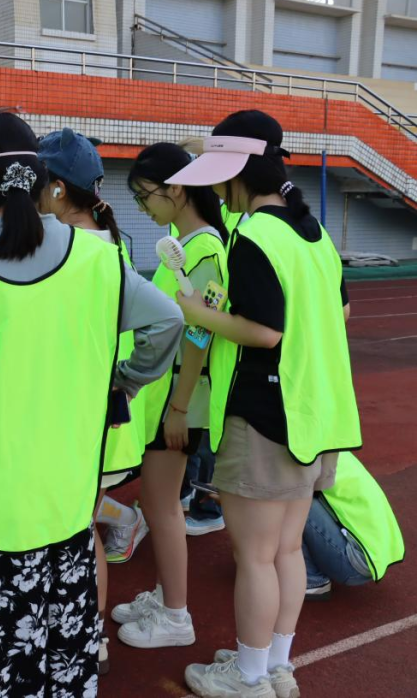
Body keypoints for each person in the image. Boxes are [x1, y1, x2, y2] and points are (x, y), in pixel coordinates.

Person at [0, 110, 183, 696]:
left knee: (5, 666)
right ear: (41, 181)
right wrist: (124, 379)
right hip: (67, 497)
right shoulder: (97, 258)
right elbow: (168, 320)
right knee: (66, 660)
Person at [169, 110, 361, 698]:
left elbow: (264, 331)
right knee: (285, 551)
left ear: (238, 174)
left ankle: (249, 677)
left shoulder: (255, 236)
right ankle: (274, 665)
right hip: (314, 413)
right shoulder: (313, 233)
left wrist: (197, 311)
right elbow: (341, 311)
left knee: (254, 555)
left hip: (264, 415)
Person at [35, 127, 154, 674]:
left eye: (36, 183)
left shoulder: (76, 250)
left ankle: (90, 633)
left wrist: (124, 378)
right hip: (99, 413)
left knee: (75, 531)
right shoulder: (107, 241)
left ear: (58, 188)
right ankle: (90, 631)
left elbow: (164, 323)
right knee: (76, 527)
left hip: (86, 415)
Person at [111, 142, 230, 651]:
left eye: (145, 196)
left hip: (178, 400)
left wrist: (180, 407)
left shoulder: (204, 251)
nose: (143, 207)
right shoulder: (184, 243)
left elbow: (200, 334)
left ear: (176, 189)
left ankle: (176, 615)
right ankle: (165, 598)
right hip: (165, 397)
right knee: (159, 502)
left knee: (162, 505)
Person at [301, 451, 404, 600]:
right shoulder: (333, 448)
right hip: (375, 556)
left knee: (291, 498)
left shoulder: (304, 456)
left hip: (355, 562)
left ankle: (312, 580)